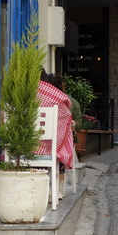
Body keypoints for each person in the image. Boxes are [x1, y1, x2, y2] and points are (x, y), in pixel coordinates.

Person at [36, 70, 76, 200]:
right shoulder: (61, 100)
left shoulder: (30, 96)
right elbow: (67, 121)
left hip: (28, 146)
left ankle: (47, 189)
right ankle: (57, 190)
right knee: (61, 146)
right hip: (52, 146)